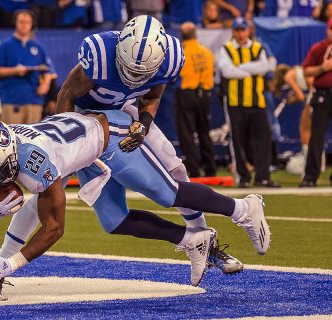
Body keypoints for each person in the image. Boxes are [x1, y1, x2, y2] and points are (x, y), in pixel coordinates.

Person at [0, 112, 271, 300]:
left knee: (167, 193)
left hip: (112, 137)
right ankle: (191, 239)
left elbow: (55, 228)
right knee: (114, 221)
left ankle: (243, 208)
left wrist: (12, 263)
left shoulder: (37, 164)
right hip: (83, 154)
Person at [56, 15, 242, 274]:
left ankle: (208, 241)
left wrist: (143, 123)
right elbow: (65, 94)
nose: (133, 77)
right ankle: (193, 238)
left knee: (175, 173)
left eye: (141, 72)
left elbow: (152, 97)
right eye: (129, 68)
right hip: (87, 127)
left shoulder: (169, 59)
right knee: (111, 219)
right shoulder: (99, 54)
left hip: (128, 116)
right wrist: (65, 143)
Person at [218, 17, 280, 188]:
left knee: (264, 138)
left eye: (242, 30)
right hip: (235, 102)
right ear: (233, 32)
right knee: (238, 140)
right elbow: (227, 71)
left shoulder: (258, 47)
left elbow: (265, 67)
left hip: (257, 101)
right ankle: (243, 178)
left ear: (248, 30)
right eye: (237, 30)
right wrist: (251, 69)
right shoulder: (226, 48)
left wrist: (241, 67)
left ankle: (263, 176)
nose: (240, 34)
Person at [0, 9, 56, 125]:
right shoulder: (5, 45)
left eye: (27, 22)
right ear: (15, 23)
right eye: (21, 22)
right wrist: (15, 70)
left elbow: (48, 69)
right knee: (11, 139)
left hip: (34, 100)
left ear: (32, 24)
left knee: (32, 141)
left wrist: (45, 84)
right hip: (12, 100)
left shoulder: (38, 46)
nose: (24, 25)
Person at [176, 22, 217, 178]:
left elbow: (176, 74)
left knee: (187, 133)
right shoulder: (207, 52)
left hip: (187, 93)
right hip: (205, 94)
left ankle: (194, 170)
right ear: (195, 34)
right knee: (204, 132)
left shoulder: (182, 51)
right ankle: (210, 168)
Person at [299, 18, 332, 187]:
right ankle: (310, 176)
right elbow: (306, 71)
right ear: (328, 30)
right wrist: (323, 68)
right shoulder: (320, 48)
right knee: (316, 136)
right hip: (323, 95)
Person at [272, 64, 315, 175]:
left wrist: (292, 99)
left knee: (304, 129)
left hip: (316, 92)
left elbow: (301, 96)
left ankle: (308, 163)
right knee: (312, 130)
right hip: (317, 92)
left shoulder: (288, 76)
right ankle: (313, 162)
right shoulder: (296, 70)